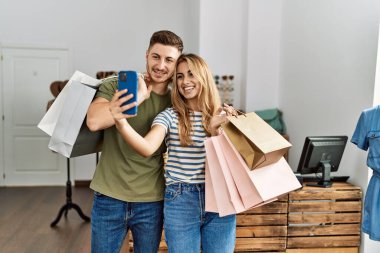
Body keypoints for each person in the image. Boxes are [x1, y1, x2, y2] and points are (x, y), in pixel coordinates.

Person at [110, 53, 237, 253]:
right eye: (179, 76)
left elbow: (232, 163)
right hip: (181, 199)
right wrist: (121, 122)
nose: (185, 81)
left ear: (203, 76)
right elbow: (147, 147)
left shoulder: (223, 116)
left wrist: (215, 130)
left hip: (220, 198)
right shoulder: (169, 116)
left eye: (191, 74)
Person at [86, 30, 183, 253]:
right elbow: (94, 121)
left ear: (176, 64)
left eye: (169, 60)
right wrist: (137, 99)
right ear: (147, 55)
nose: (161, 65)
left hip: (151, 201)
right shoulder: (119, 85)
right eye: (156, 57)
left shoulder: (176, 102)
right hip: (109, 195)